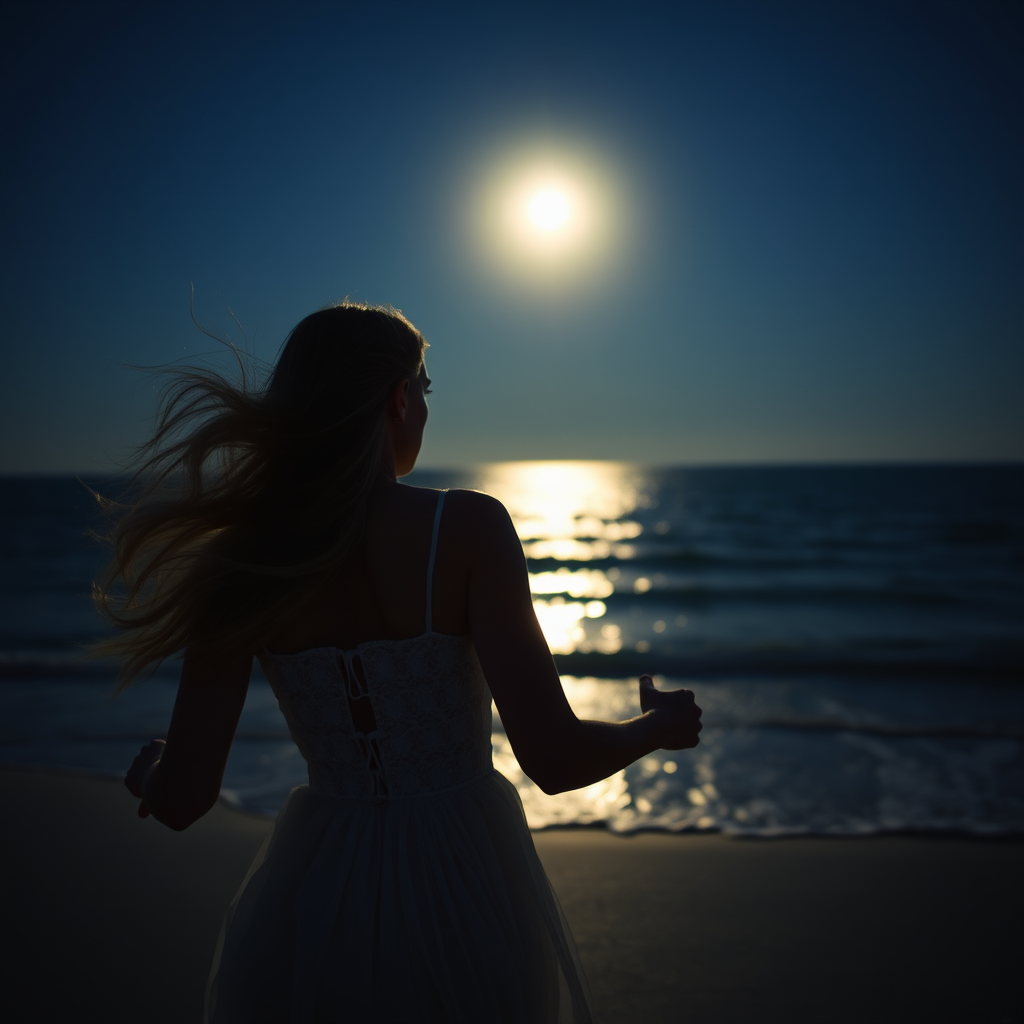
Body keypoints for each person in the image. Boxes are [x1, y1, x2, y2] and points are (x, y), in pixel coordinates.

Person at [99, 303, 703, 1024]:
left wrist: (149, 772)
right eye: (425, 387)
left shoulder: (244, 561)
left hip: (316, 893)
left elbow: (185, 798)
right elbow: (555, 760)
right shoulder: (469, 527)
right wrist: (654, 728)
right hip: (467, 881)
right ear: (397, 397)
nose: (424, 407)